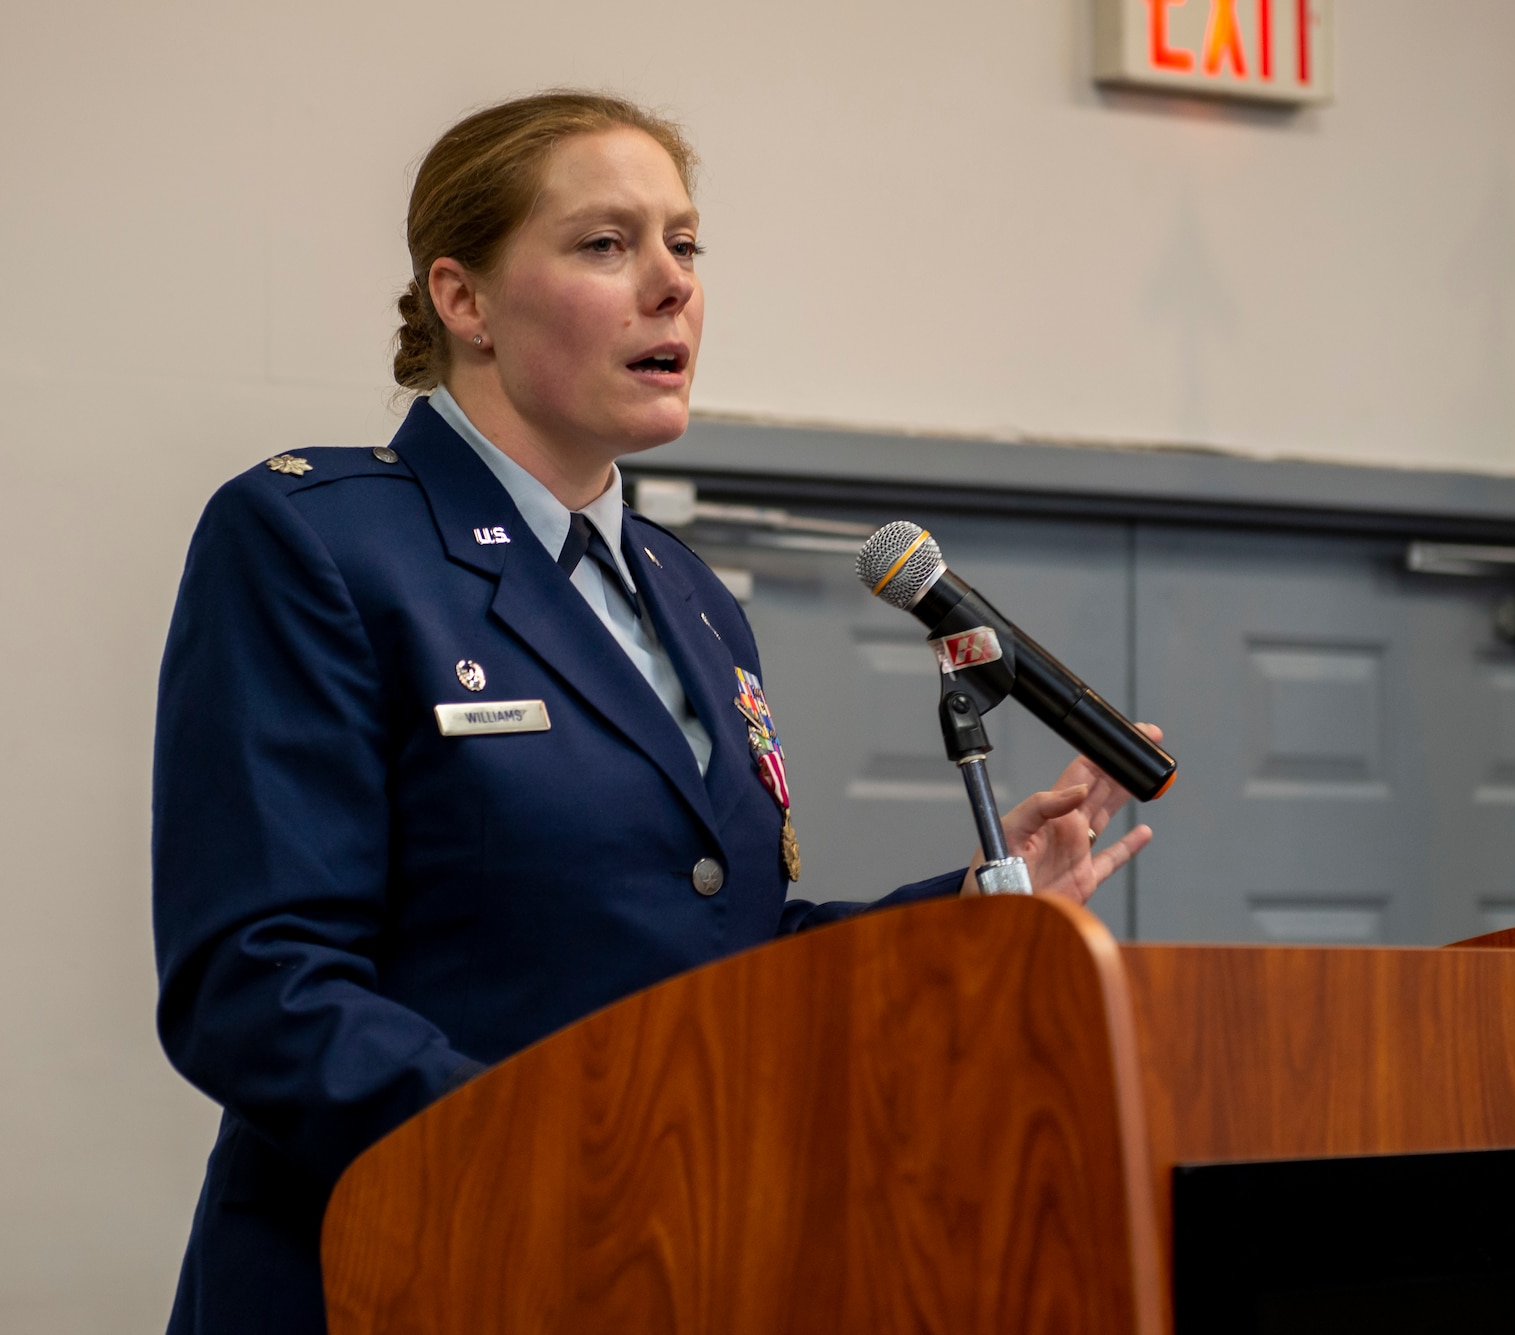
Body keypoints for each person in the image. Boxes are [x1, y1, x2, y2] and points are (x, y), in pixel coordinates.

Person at [150, 90, 1156, 1334]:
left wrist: (968, 913)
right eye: (604, 244)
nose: (671, 285)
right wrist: (580, 1155)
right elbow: (256, 983)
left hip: (665, 1271)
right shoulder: (318, 543)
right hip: (412, 1266)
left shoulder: (687, 597)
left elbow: (723, 960)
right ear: (462, 301)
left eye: (684, 244)